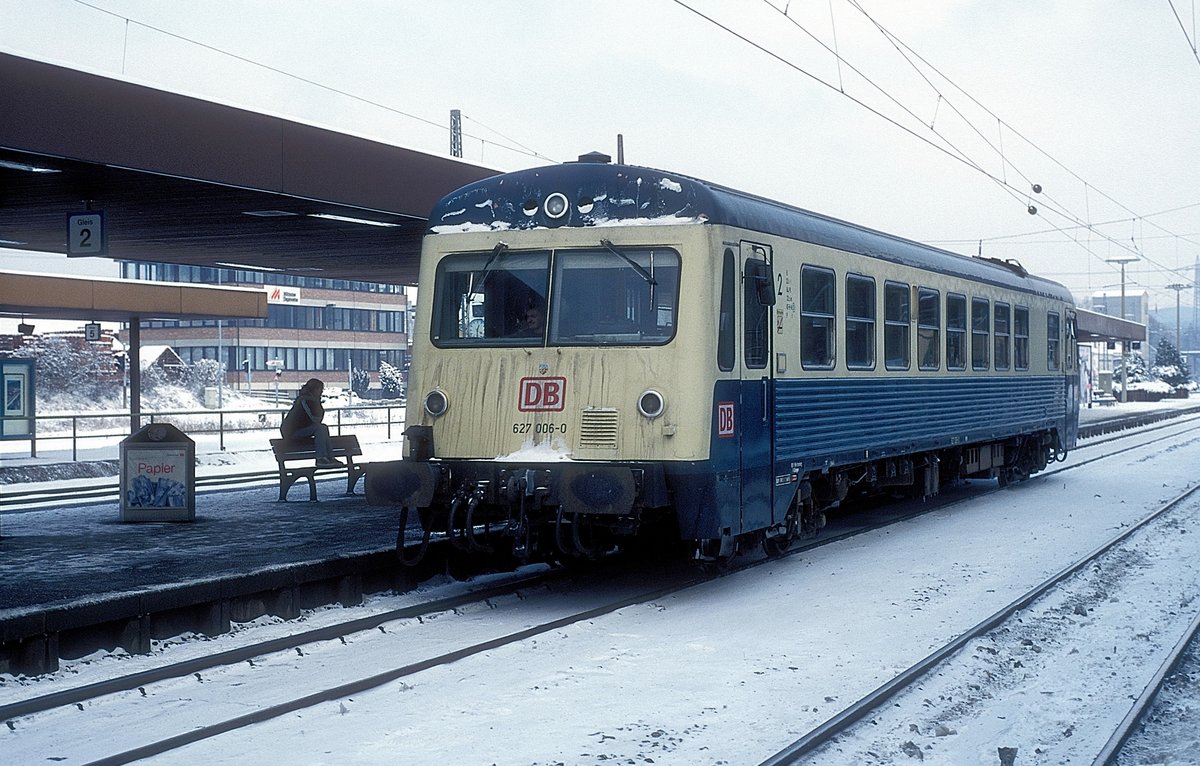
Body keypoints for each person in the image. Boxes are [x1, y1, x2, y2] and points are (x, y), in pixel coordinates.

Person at [280, 378, 342, 467]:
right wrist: (318, 404)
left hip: (300, 430)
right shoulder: (305, 400)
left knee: (322, 427)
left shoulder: (312, 400)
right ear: (314, 389)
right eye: (320, 389)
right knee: (320, 428)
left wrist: (317, 404)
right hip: (291, 432)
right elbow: (315, 418)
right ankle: (321, 458)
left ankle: (330, 457)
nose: (321, 392)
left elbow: (317, 418)